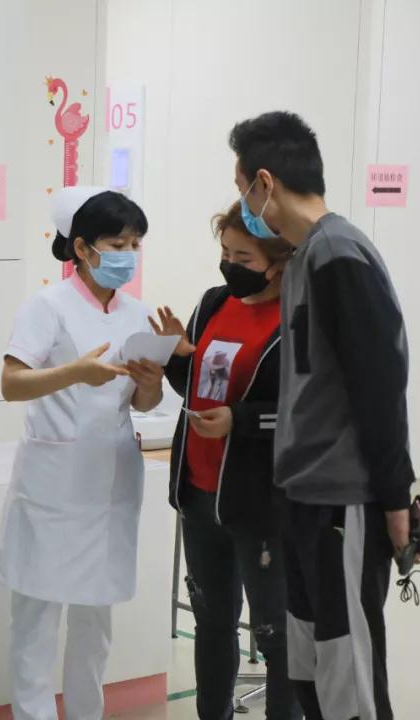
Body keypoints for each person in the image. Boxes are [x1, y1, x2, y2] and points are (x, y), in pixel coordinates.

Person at [229, 110, 416, 720]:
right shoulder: (306, 257)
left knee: (349, 680)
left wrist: (395, 498)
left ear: (265, 182)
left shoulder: (339, 253)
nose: (245, 206)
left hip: (344, 501)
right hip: (303, 497)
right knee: (311, 672)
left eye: (243, 190)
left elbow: (380, 384)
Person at [0, 187, 165, 720]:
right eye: (117, 244)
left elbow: (141, 402)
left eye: (134, 244)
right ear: (83, 248)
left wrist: (151, 383)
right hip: (53, 485)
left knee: (95, 624)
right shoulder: (47, 306)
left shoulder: (138, 313)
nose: (128, 255)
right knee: (36, 623)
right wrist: (74, 373)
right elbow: (11, 383)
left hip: (110, 483)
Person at [155, 202, 300, 720]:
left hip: (259, 504)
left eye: (243, 257)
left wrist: (240, 420)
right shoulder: (215, 302)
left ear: (278, 263)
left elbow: (306, 412)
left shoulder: (299, 320)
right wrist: (178, 357)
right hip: (199, 492)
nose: (229, 265)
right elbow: (198, 388)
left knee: (277, 635)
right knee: (213, 622)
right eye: (224, 253)